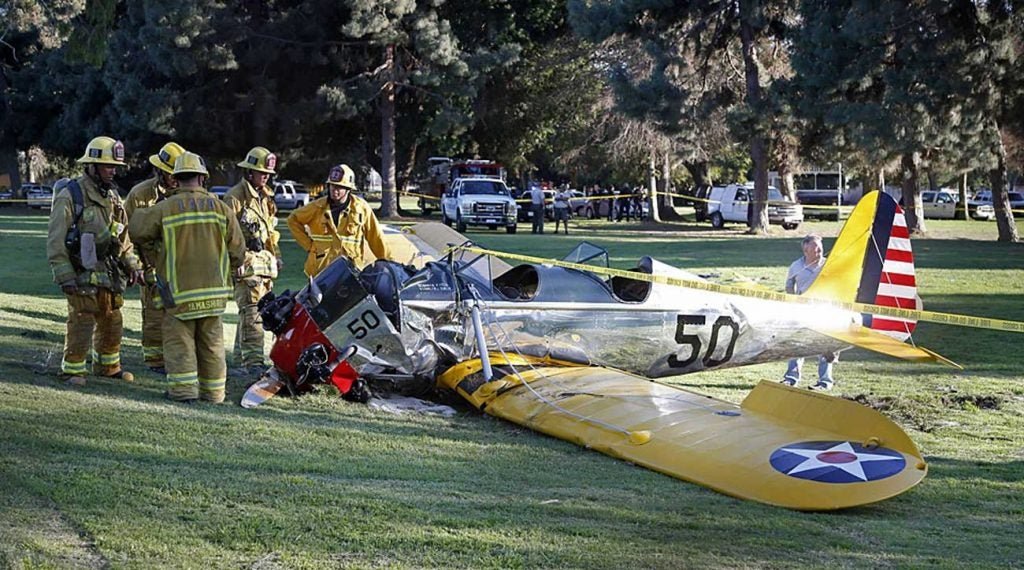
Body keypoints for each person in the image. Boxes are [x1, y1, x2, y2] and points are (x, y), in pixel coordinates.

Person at [129, 152, 246, 404]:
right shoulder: (222, 208)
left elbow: (136, 231)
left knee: (179, 344)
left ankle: (183, 393)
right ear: (202, 178)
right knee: (213, 346)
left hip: (178, 293)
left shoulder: (164, 208)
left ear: (176, 177)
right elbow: (238, 251)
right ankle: (214, 394)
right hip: (214, 294)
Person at [47, 136, 144, 386]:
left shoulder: (113, 198)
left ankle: (108, 367)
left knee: (112, 319)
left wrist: (132, 265)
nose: (113, 171)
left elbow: (124, 239)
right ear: (91, 166)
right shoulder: (71, 195)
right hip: (80, 272)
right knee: (82, 319)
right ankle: (72, 370)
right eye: (108, 165)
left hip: (107, 273)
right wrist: (64, 275)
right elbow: (56, 240)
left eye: (115, 166)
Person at [125, 141, 186, 373]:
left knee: (180, 316)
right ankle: (155, 361)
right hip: (151, 266)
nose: (173, 179)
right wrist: (136, 266)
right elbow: (126, 236)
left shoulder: (185, 196)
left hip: (180, 269)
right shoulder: (140, 195)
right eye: (170, 174)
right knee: (153, 316)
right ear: (159, 170)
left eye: (177, 175)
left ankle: (178, 357)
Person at [223, 147, 282, 374]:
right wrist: (235, 262)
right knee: (252, 313)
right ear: (248, 172)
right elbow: (226, 234)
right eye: (260, 171)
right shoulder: (235, 198)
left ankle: (241, 360)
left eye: (267, 172)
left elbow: (270, 231)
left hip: (263, 265)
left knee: (251, 313)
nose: (265, 176)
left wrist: (275, 256)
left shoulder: (265, 197)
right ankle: (254, 363)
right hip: (245, 266)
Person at [287, 164, 391, 276]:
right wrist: (309, 246)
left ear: (348, 189)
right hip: (320, 271)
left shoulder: (361, 209)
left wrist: (389, 264)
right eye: (332, 185)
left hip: (351, 273)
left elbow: (376, 237)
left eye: (339, 187)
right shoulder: (317, 207)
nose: (334, 190)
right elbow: (293, 219)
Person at [781, 234, 838, 390]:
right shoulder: (796, 266)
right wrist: (793, 301)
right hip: (802, 311)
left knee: (825, 346)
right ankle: (791, 378)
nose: (819, 250)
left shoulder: (829, 265)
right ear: (806, 250)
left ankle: (825, 382)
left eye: (820, 247)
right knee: (797, 344)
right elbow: (788, 285)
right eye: (816, 247)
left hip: (825, 311)